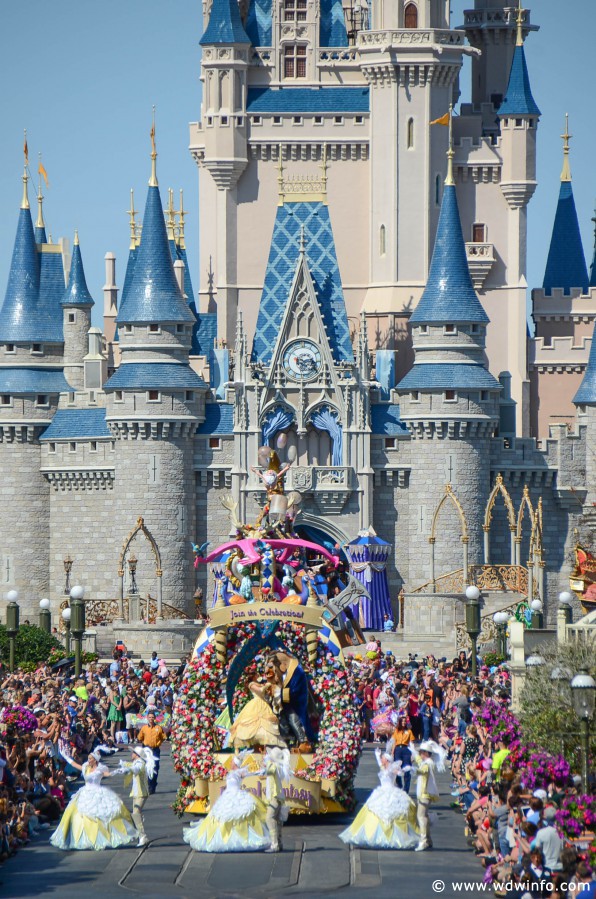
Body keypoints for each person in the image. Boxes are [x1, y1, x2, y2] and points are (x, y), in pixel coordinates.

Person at [50, 750, 138, 850]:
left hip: (97, 792)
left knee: (101, 815)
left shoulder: (100, 769)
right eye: (88, 758)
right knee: (77, 814)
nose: (89, 760)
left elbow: (108, 774)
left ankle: (102, 836)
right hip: (85, 792)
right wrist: (66, 756)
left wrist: (118, 771)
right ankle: (82, 838)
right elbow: (74, 764)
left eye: (90, 759)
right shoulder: (85, 767)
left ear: (95, 760)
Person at [184, 750, 270, 852]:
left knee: (238, 815)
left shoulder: (239, 772)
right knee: (222, 816)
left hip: (236, 795)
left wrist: (264, 767)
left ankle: (241, 836)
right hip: (228, 795)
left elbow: (252, 773)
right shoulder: (232, 772)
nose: (230, 763)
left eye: (232, 762)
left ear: (235, 764)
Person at [339, 740, 419, 849]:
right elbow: (380, 764)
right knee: (375, 810)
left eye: (383, 758)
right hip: (382, 792)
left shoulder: (392, 768)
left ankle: (393, 836)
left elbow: (398, 773)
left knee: (390, 813)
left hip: (391, 792)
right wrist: (377, 755)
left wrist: (404, 770)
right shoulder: (384, 767)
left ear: (386, 760)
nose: (381, 759)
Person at [411, 739, 446, 852]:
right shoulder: (426, 762)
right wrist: (413, 752)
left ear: (426, 753)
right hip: (424, 794)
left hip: (424, 794)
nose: (420, 753)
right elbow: (419, 762)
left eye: (421, 752)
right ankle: (428, 840)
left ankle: (424, 840)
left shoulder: (428, 763)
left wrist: (415, 771)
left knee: (421, 816)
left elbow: (423, 770)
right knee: (423, 816)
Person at [118, 745, 155, 848]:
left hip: (141, 793)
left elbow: (135, 769)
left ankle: (143, 836)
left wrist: (127, 769)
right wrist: (123, 765)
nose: (131, 754)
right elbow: (130, 765)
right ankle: (142, 835)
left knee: (135, 814)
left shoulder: (140, 763)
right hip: (136, 793)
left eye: (133, 752)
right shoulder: (135, 762)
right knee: (135, 815)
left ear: (137, 755)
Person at [259, 745, 291, 853]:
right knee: (277, 820)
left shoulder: (275, 766)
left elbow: (268, 770)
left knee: (269, 818)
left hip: (275, 797)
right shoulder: (278, 767)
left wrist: (265, 762)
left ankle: (274, 844)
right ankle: (279, 843)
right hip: (278, 797)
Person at [137, 711, 166, 794]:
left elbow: (163, 737)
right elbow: (140, 737)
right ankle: (149, 785)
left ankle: (153, 783)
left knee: (155, 767)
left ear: (155, 718)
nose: (151, 719)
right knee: (148, 767)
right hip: (147, 750)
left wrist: (159, 743)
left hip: (155, 749)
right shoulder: (144, 728)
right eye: (149, 717)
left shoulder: (158, 728)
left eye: (152, 717)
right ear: (147, 718)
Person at [391, 713, 415, 793]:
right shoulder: (396, 731)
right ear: (400, 722)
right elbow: (394, 742)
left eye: (405, 721)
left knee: (407, 770)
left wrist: (413, 754)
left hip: (406, 750)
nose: (404, 723)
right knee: (397, 769)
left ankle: (406, 789)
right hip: (398, 749)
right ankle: (399, 785)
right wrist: (392, 752)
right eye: (402, 721)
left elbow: (411, 743)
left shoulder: (409, 731)